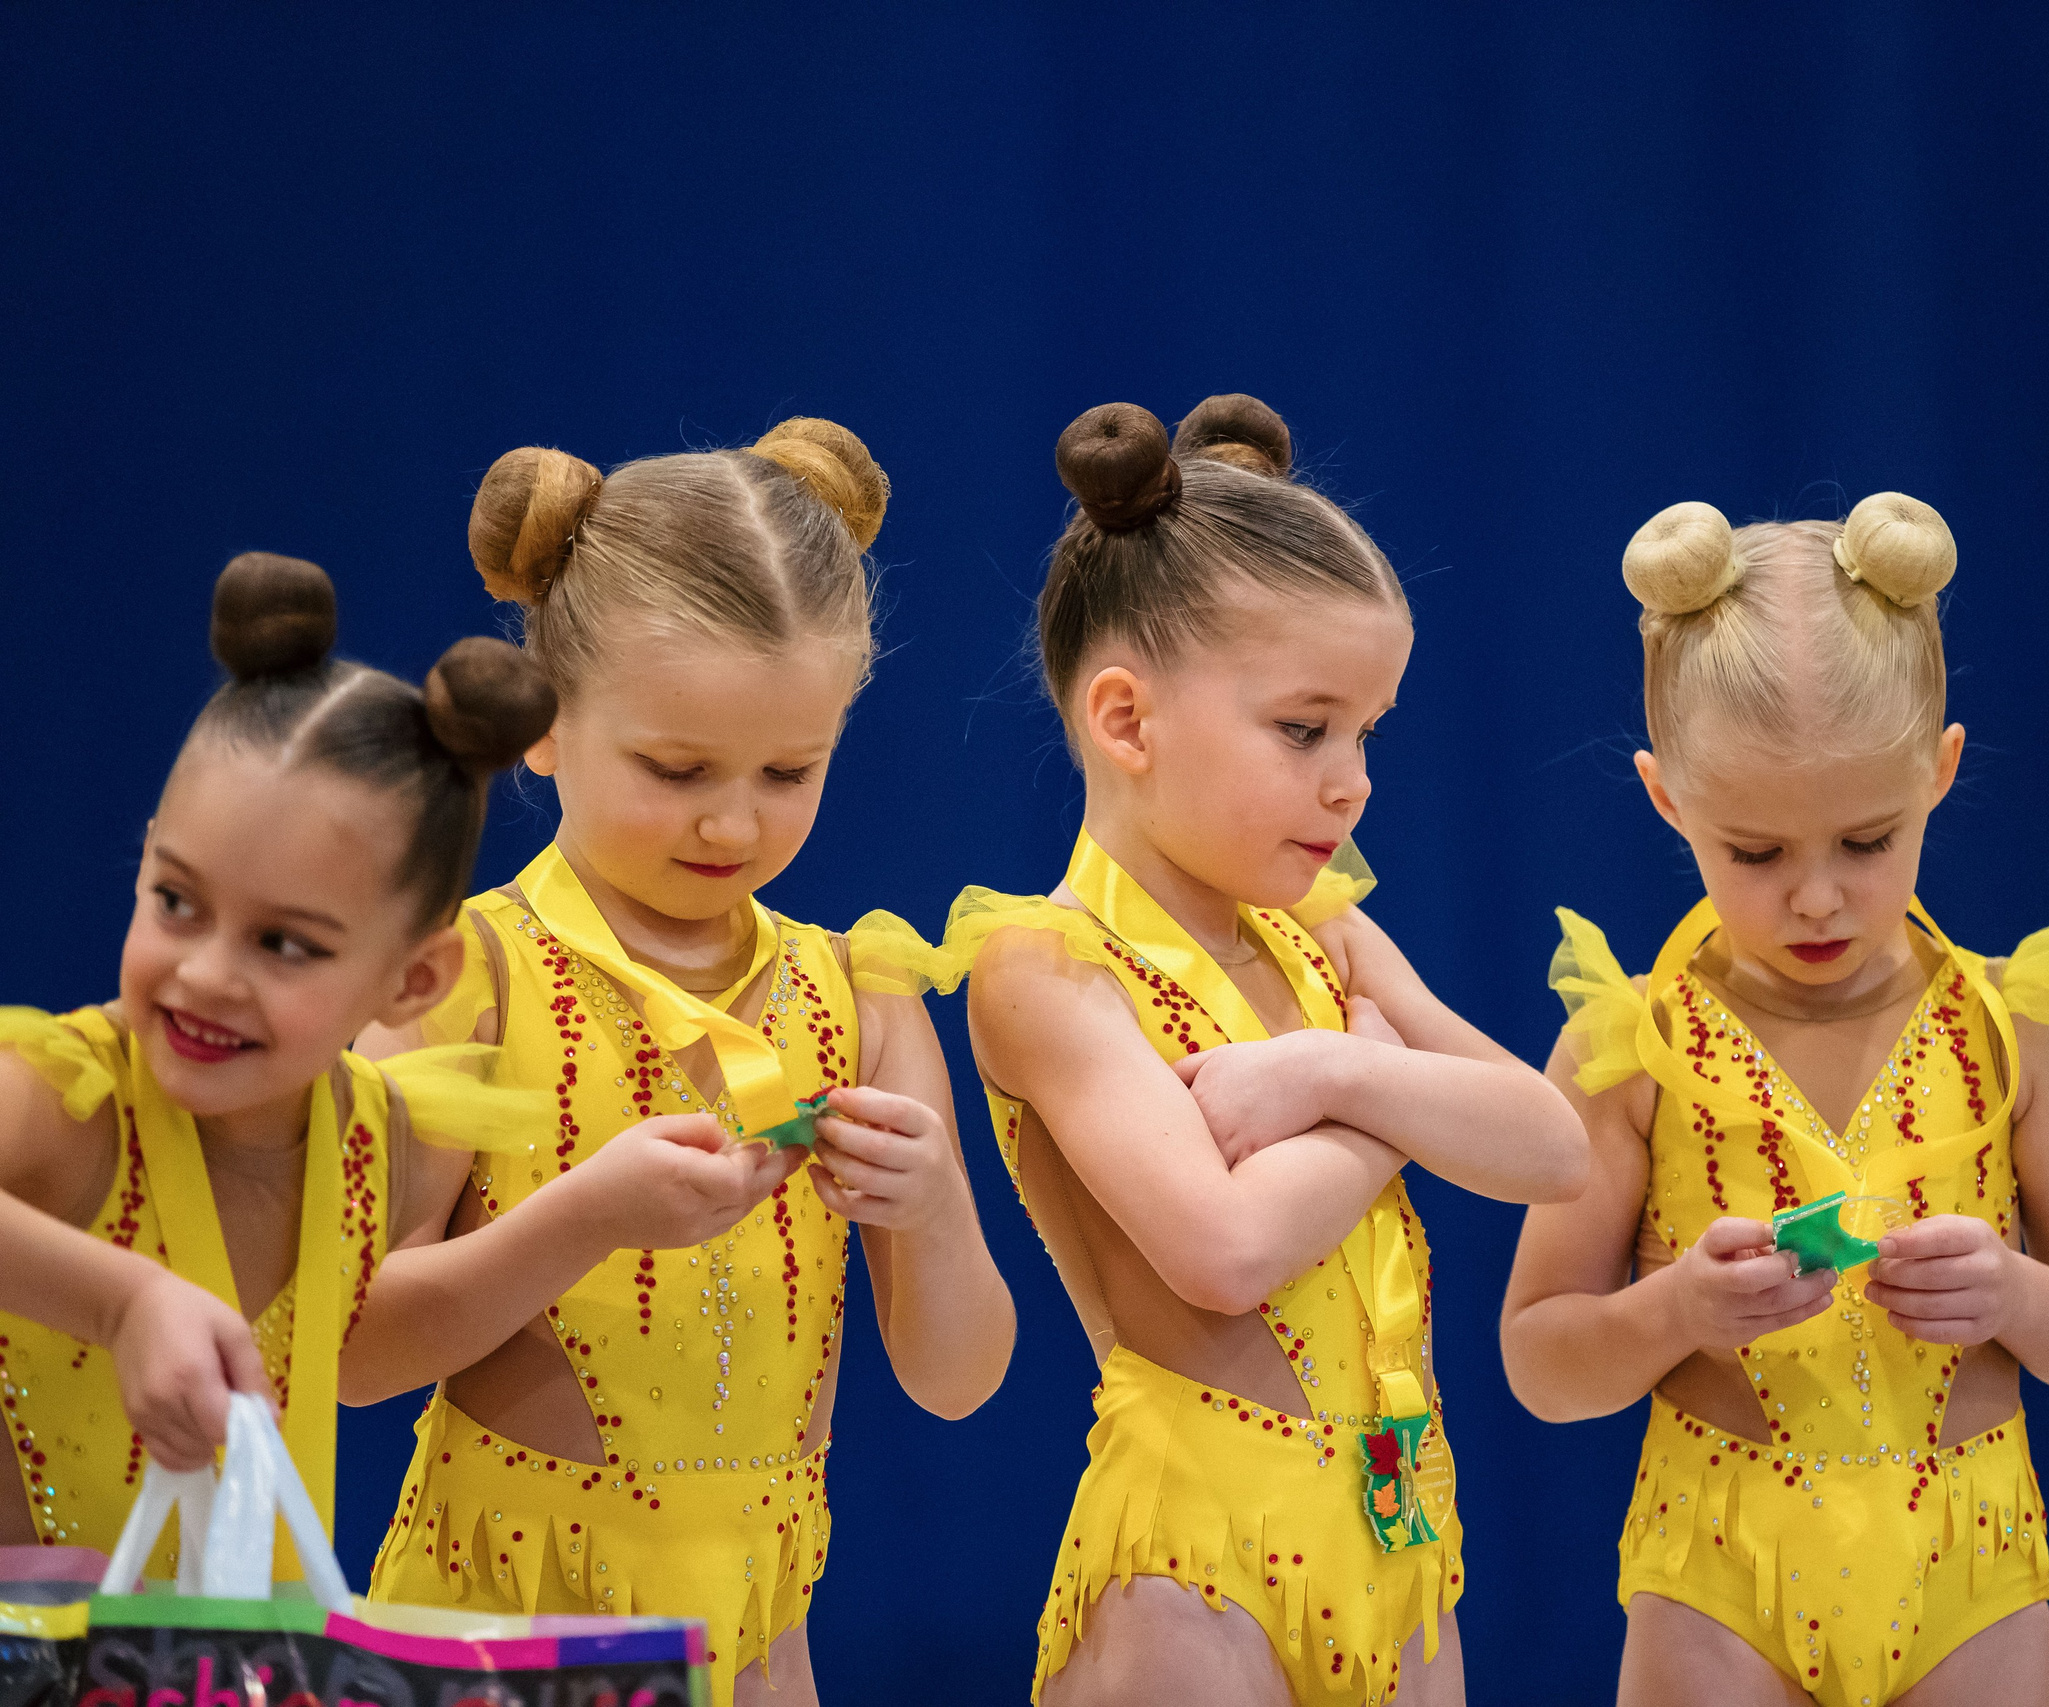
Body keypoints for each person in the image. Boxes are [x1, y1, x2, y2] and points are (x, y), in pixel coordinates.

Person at [357, 420, 1015, 1707]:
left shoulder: (860, 998)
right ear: (544, 727)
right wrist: (584, 1215)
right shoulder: (463, 982)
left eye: (789, 770)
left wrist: (930, 1205)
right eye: (675, 768)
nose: (732, 819)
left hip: (763, 1650)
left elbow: (957, 1380)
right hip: (499, 1648)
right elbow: (347, 1353)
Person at [944, 394, 1588, 1705]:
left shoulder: (1324, 933)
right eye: (1305, 728)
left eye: (1368, 731)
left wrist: (1339, 1072)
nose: (1351, 780)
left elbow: (1552, 1140)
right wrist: (1391, 1107)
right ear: (1128, 721)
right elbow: (1226, 1249)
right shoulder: (1046, 969)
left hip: (1397, 1532)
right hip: (1193, 1558)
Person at [1503, 493, 2049, 1705]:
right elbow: (1541, 1361)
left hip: (1971, 1570)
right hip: (1717, 1577)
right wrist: (1679, 1311)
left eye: (1866, 841)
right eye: (1755, 853)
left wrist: (2012, 1293)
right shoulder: (1626, 1046)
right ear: (1665, 800)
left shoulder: (2022, 1025)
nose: (1816, 899)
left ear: (1940, 770)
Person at [0, 551, 558, 1569]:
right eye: (176, 901)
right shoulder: (63, 1103)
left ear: (415, 983)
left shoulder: (383, 1143)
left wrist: (603, 1213)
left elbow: (408, 1337)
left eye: (284, 943)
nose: (206, 974)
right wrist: (121, 1300)